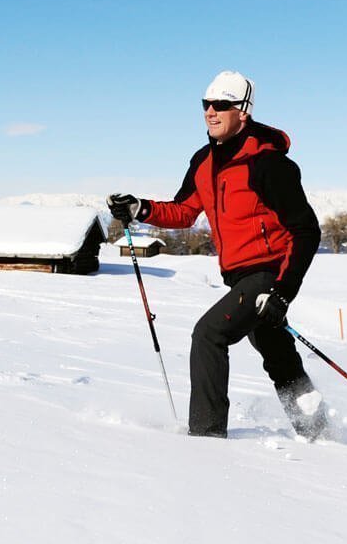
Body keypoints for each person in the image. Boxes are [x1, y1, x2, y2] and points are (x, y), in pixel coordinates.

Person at [108, 70, 326, 440]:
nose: (211, 111)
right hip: (239, 276)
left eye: (221, 105)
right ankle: (319, 430)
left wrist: (282, 292)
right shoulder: (204, 161)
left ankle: (207, 437)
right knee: (278, 356)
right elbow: (184, 211)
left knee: (209, 335)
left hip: (268, 272)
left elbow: (307, 231)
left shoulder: (267, 163)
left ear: (243, 111)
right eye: (206, 104)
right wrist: (140, 209)